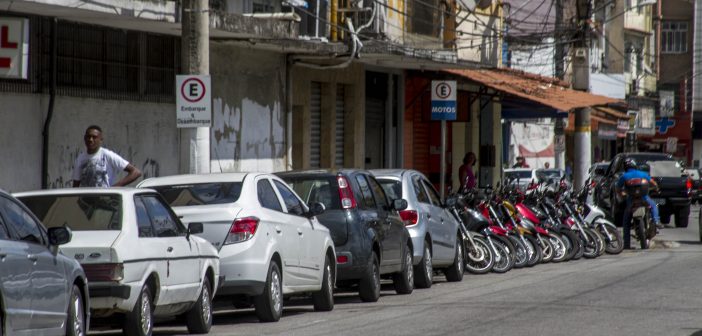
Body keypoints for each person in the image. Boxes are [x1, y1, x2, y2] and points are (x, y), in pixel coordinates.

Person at [72, 125, 142, 188]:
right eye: (88, 137)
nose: (91, 140)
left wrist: (113, 188)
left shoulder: (107, 155)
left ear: (101, 140)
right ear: (84, 138)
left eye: (94, 137)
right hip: (85, 201)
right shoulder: (80, 158)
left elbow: (136, 172)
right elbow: (76, 185)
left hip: (104, 200)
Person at [615, 158, 661, 249]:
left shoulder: (624, 176)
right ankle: (656, 221)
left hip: (631, 200)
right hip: (644, 198)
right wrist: (656, 188)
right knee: (654, 206)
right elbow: (653, 183)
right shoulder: (643, 174)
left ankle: (627, 244)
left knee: (626, 221)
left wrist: (621, 194)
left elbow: (618, 189)